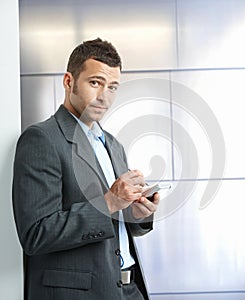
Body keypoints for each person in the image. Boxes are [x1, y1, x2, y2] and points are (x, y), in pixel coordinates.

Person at [12, 38, 160, 300]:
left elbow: (117, 223)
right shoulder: (42, 139)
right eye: (95, 83)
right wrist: (109, 202)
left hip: (128, 289)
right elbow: (36, 235)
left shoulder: (113, 145)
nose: (105, 96)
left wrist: (137, 214)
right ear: (69, 82)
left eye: (113, 87)